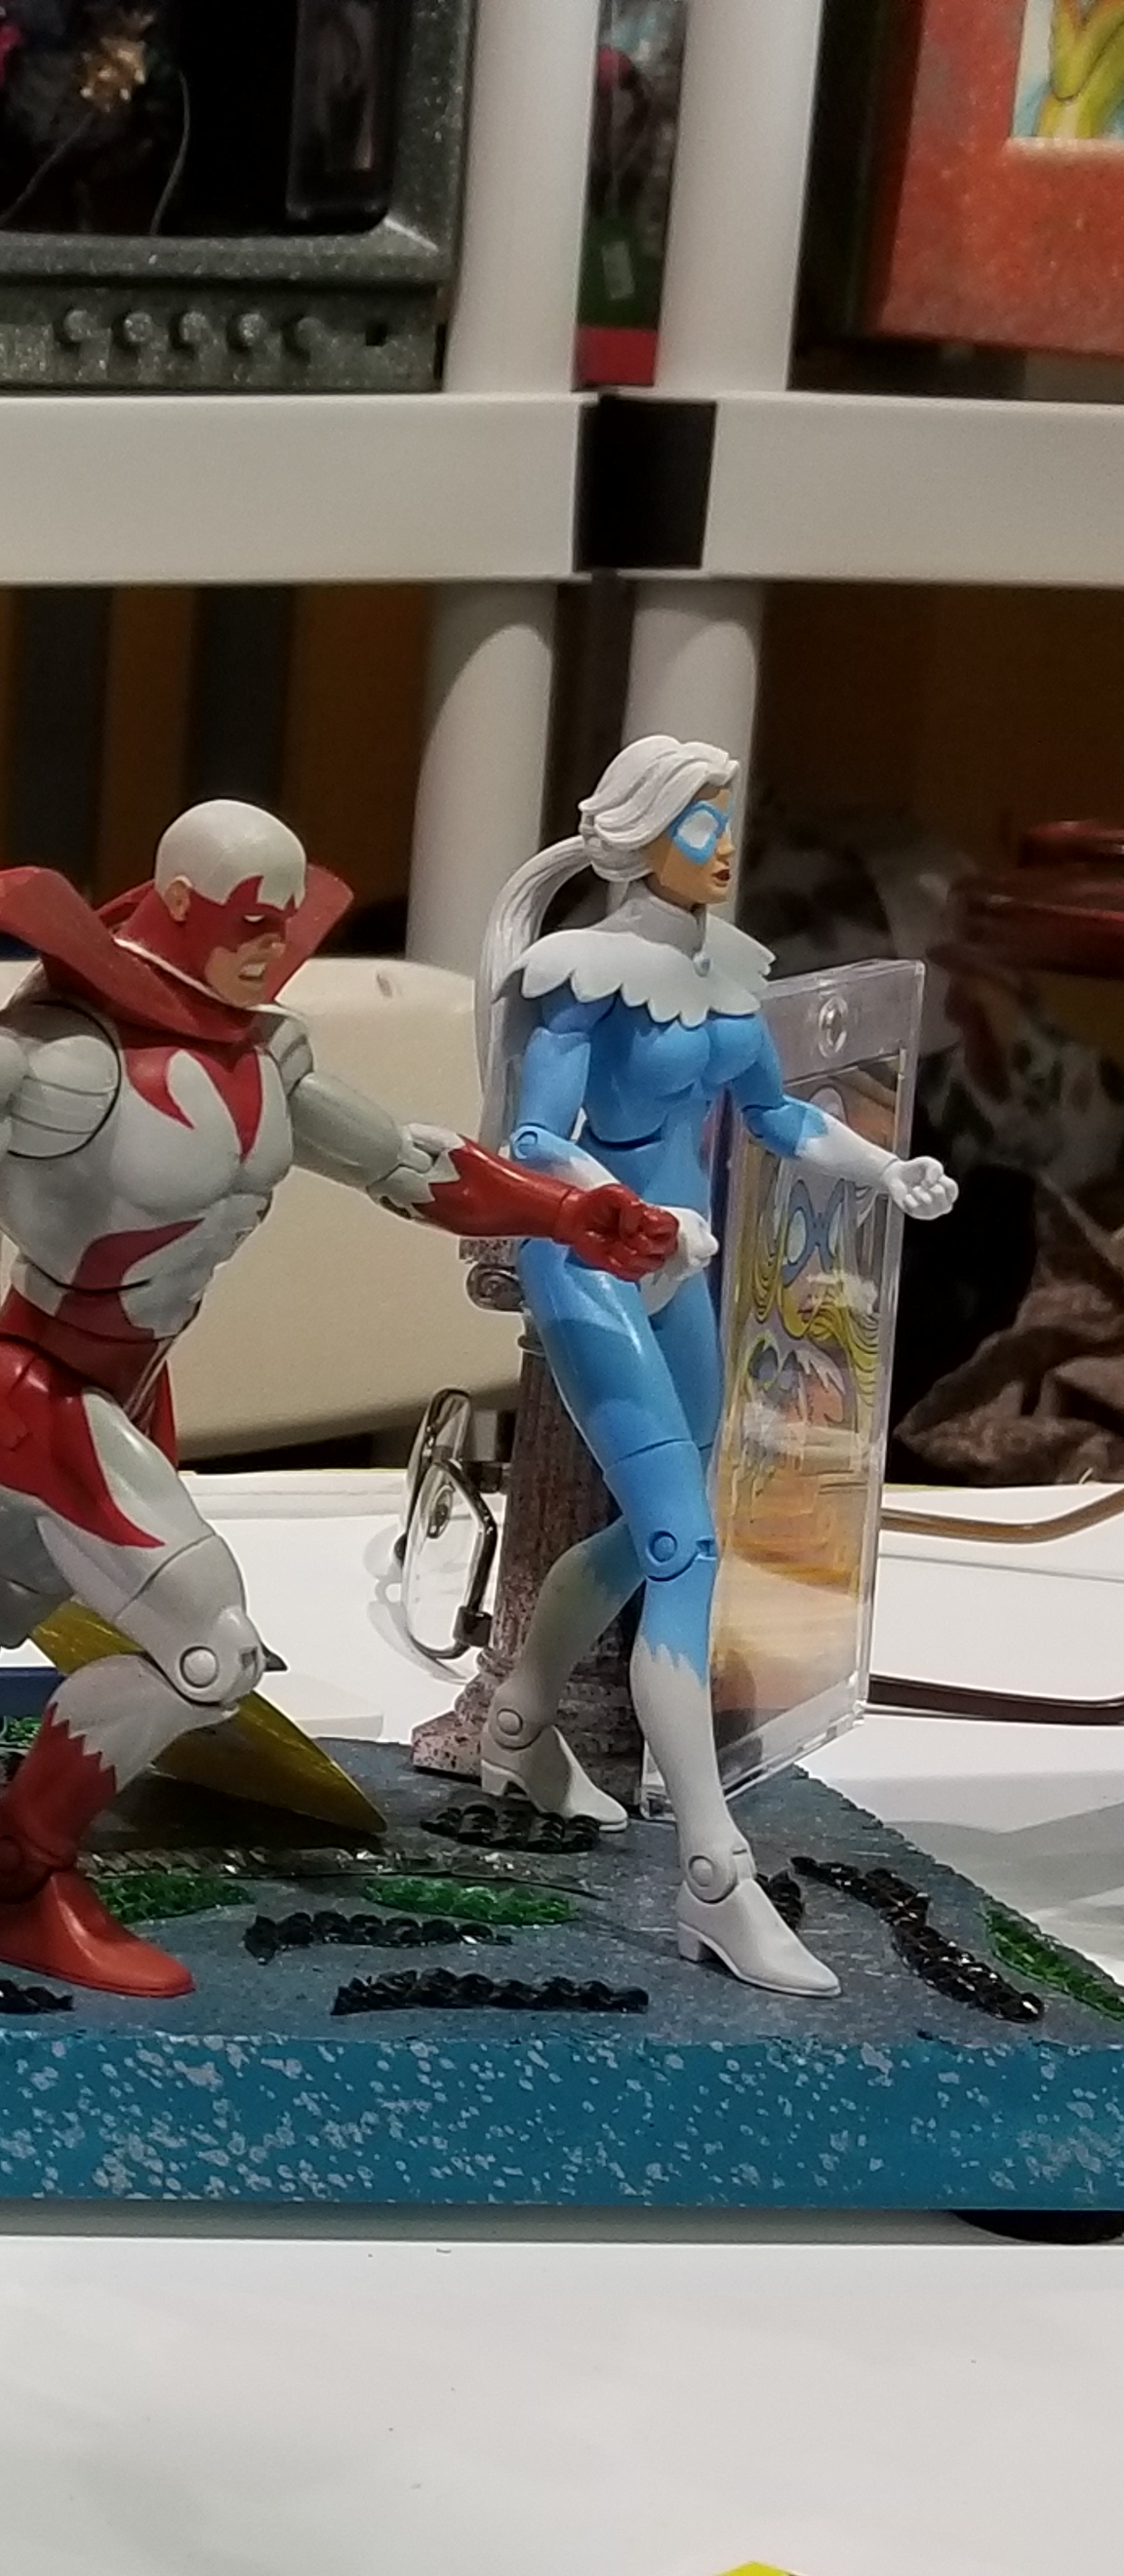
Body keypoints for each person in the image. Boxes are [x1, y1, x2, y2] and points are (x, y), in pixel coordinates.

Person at [0, 802, 682, 1995]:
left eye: (285, 921)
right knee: (210, 1652)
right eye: (245, 920)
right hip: (40, 1385)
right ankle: (16, 1872)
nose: (270, 945)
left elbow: (407, 1166)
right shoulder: (71, 1061)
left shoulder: (265, 1055)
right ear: (176, 905)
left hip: (123, 1386)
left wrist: (564, 1212)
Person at [473, 734, 958, 1996]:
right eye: (699, 823)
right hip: (593, 1261)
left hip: (678, 1271)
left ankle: (519, 1721)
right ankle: (712, 1873)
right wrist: (632, 1215)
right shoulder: (583, 976)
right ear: (644, 835)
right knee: (685, 1549)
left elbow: (781, 1116)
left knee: (665, 1522)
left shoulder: (728, 975)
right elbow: (536, 1140)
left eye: (726, 819)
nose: (724, 845)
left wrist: (886, 1169)